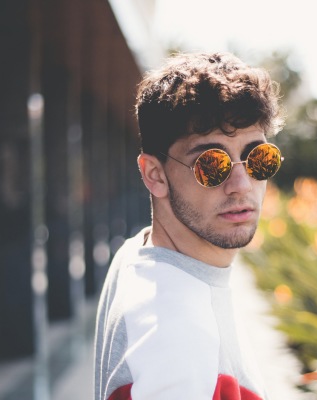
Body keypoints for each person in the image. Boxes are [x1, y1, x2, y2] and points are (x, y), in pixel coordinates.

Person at [94, 51, 284, 400]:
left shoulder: (139, 250)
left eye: (259, 158)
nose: (241, 185)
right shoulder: (176, 339)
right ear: (155, 174)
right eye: (211, 164)